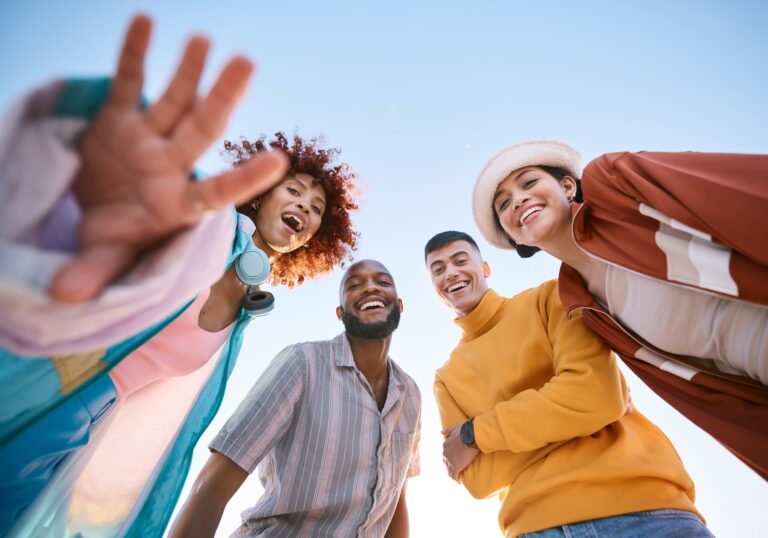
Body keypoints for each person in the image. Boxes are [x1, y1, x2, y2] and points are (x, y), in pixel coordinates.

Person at [0, 14, 360, 537]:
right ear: (263, 193)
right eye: (294, 191)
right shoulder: (205, 227)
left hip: (91, 432)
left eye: (316, 209)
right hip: (54, 383)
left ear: (311, 241)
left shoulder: (249, 310)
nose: (304, 207)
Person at [471, 140, 768, 478]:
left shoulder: (613, 184)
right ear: (514, 238)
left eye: (528, 183)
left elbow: (733, 191)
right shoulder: (584, 308)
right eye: (504, 203)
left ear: (568, 185)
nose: (519, 200)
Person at [425, 230, 711, 538]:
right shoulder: (446, 378)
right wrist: (571, 415)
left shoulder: (549, 298)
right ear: (434, 287)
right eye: (438, 269)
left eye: (460, 260)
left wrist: (475, 434)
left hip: (646, 509)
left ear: (484, 268)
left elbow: (595, 397)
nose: (450, 272)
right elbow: (478, 480)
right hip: (535, 527)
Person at [170, 259, 421, 537]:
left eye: (383, 282)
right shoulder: (302, 364)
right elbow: (211, 487)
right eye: (354, 285)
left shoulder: (410, 395)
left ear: (399, 305)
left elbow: (395, 502)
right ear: (340, 313)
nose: (370, 289)